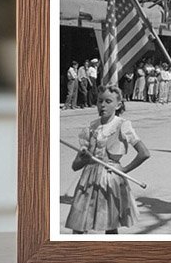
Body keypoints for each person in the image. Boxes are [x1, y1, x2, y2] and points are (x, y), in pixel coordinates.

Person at [64, 86, 150, 234]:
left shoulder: (122, 125)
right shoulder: (92, 127)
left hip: (110, 180)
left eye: (108, 101)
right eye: (100, 101)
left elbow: (144, 153)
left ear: (118, 104)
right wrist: (86, 156)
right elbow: (75, 166)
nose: (102, 105)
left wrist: (123, 170)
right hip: (88, 180)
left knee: (110, 225)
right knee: (78, 223)